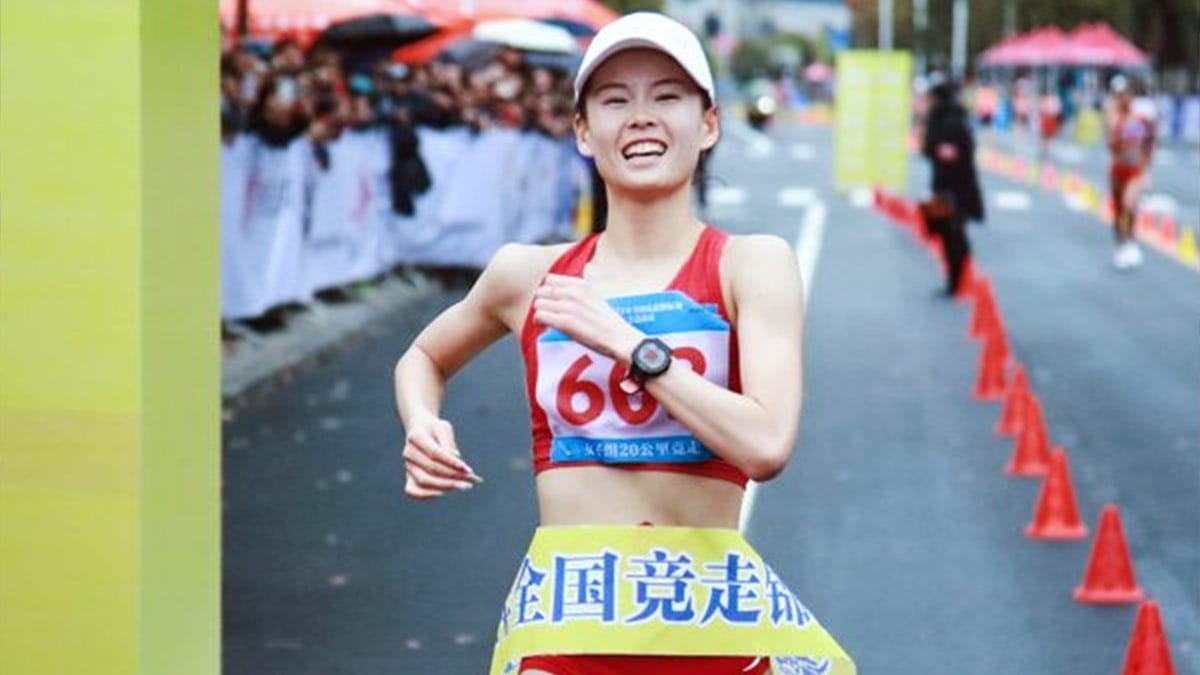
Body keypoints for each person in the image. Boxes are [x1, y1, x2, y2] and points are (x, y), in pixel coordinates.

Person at [392, 12, 853, 675]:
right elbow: (424, 357)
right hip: (566, 631)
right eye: (614, 100)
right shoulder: (528, 274)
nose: (641, 116)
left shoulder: (750, 265)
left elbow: (765, 444)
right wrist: (423, 423)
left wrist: (631, 344)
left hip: (707, 630)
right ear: (584, 131)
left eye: (667, 96)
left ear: (709, 123)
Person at [921, 74, 985, 297]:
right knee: (953, 233)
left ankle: (956, 280)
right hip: (961, 185)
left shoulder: (941, 119)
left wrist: (942, 151)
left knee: (951, 234)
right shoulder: (959, 117)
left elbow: (928, 149)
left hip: (948, 186)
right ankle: (958, 278)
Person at [1104, 74, 1157, 270]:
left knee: (1130, 204)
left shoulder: (1139, 117)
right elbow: (1110, 143)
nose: (1122, 97)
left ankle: (1132, 242)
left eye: (1125, 93)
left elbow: (1150, 139)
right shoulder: (1113, 117)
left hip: (1135, 169)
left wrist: (1147, 165)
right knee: (1118, 210)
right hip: (1117, 168)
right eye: (1118, 94)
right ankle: (1120, 246)